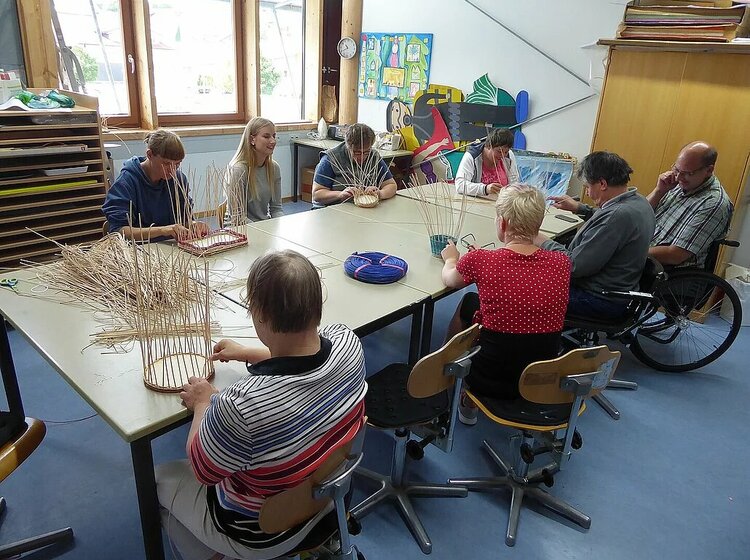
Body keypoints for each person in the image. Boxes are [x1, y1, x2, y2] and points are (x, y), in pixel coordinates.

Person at [155, 249, 367, 560]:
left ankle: (214, 551)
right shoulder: (349, 344)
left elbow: (203, 468)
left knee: (157, 478)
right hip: (330, 497)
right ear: (317, 307)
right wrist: (246, 352)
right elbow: (304, 354)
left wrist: (203, 401)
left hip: (261, 534)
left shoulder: (240, 407)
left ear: (260, 316)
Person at [440, 184, 571, 425]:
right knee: (480, 303)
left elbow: (450, 280)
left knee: (467, 302)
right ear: (539, 223)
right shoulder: (561, 263)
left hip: (489, 379)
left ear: (502, 224)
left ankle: (454, 382)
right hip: (542, 379)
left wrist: (451, 259)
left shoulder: (481, 260)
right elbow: (524, 278)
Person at [536, 151, 655, 319]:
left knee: (525, 288)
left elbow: (575, 267)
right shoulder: (638, 201)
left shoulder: (617, 216)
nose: (588, 194)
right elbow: (606, 218)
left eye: (587, 187)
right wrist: (579, 208)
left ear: (602, 184)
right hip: (619, 289)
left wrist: (540, 239)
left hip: (598, 299)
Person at [102, 129, 208, 242]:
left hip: (172, 248)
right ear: (150, 154)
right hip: (140, 250)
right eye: (166, 163)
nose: (172, 170)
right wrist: (162, 231)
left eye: (177, 164)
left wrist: (193, 224)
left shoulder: (178, 179)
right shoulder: (127, 182)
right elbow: (119, 230)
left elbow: (184, 219)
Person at [648, 141, 732, 269]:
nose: (679, 177)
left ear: (709, 170)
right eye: (676, 169)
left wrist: (631, 252)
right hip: (645, 255)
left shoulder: (713, 203)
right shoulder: (680, 183)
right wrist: (659, 191)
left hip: (668, 273)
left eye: (688, 173)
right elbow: (641, 214)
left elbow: (675, 255)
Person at [312, 123, 397, 207]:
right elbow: (317, 195)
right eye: (357, 153)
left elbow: (391, 185)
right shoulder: (330, 159)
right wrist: (340, 194)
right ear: (348, 146)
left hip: (364, 209)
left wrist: (380, 193)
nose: (362, 157)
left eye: (366, 152)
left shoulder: (373, 157)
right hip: (334, 209)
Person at [225, 117, 283, 223]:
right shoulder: (238, 170)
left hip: (262, 225)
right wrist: (262, 230)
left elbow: (276, 209)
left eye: (274, 136)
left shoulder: (274, 168)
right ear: (252, 139)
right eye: (266, 136)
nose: (273, 141)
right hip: (240, 228)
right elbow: (237, 217)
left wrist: (282, 226)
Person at [455, 128, 520, 197]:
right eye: (499, 151)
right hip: (477, 203)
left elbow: (514, 182)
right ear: (488, 146)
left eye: (506, 152)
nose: (503, 156)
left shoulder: (509, 155)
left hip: (501, 202)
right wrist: (485, 189)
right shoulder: (472, 156)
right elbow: (460, 185)